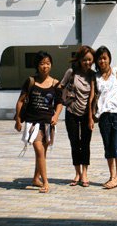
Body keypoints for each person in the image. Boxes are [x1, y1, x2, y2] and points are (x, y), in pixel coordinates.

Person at [14, 51, 62, 194]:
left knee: (42, 154)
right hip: (33, 123)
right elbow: (20, 100)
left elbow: (59, 103)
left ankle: (36, 178)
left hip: (48, 123)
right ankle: (45, 182)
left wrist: (56, 116)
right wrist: (18, 119)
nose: (45, 66)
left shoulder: (56, 84)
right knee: (39, 151)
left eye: (47, 63)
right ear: (37, 65)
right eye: (42, 63)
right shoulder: (31, 81)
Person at [92, 46, 117, 189]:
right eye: (100, 58)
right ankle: (111, 175)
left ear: (109, 59)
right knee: (108, 146)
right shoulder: (95, 77)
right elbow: (93, 97)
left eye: (104, 58)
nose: (102, 61)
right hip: (103, 116)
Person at [60, 45, 96, 187]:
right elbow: (60, 86)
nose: (87, 63)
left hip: (87, 115)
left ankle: (85, 173)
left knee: (85, 144)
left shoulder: (93, 75)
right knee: (74, 144)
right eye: (84, 60)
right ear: (79, 60)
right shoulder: (71, 72)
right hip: (71, 113)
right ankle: (77, 173)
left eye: (90, 60)